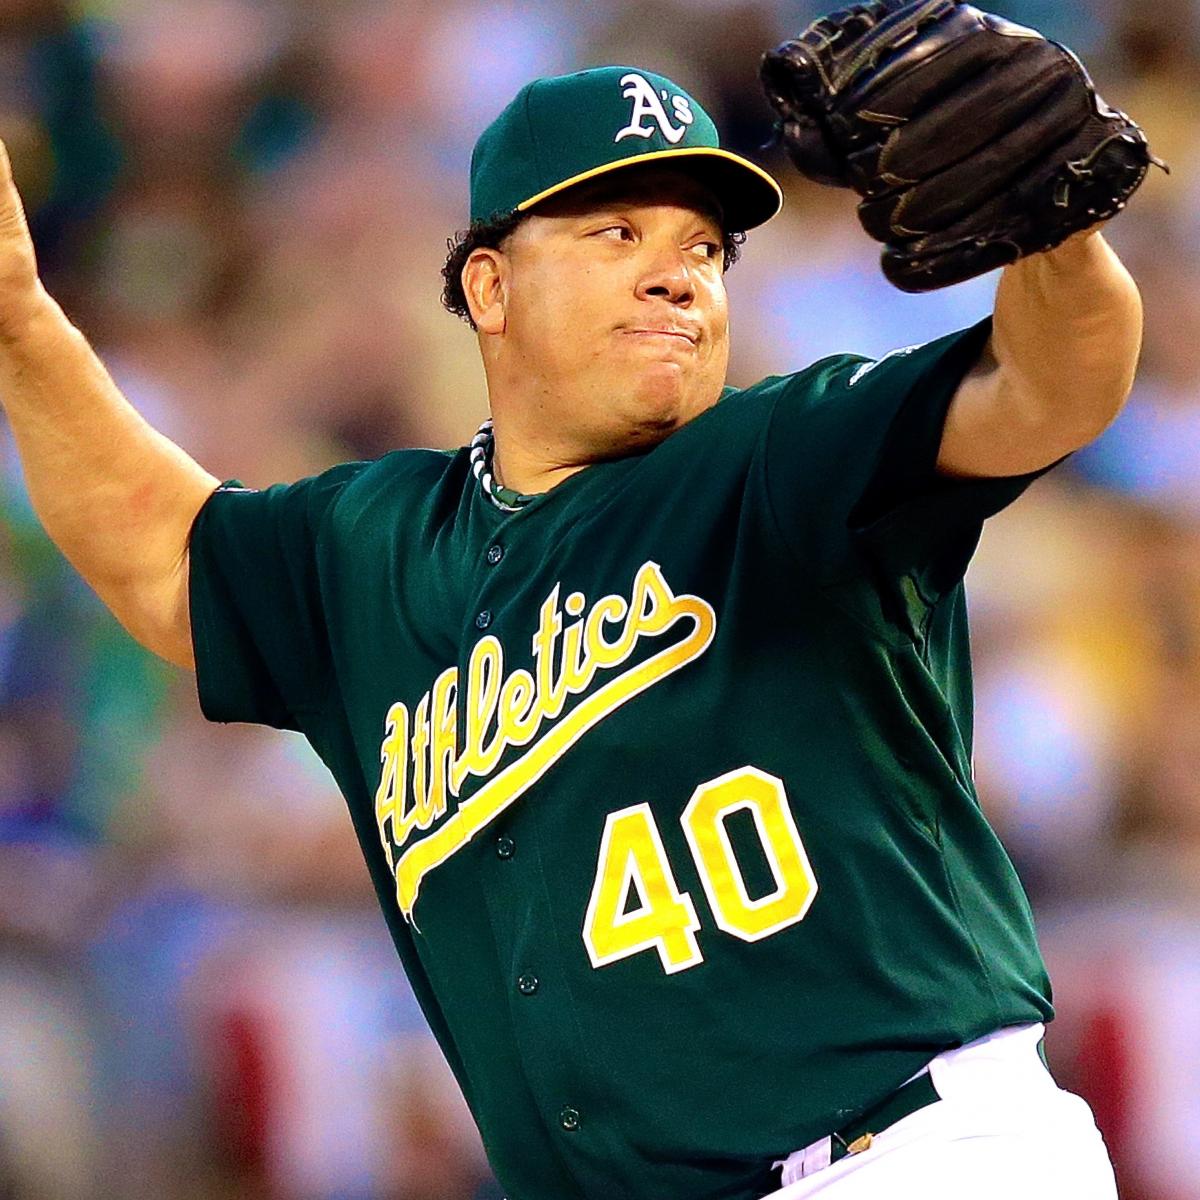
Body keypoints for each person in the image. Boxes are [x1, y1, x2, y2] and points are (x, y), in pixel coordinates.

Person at [0, 49, 1141, 1200]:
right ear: (489, 289)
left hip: (913, 1158)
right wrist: (18, 320)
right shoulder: (373, 546)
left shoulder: (779, 459)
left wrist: (1058, 236)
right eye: (616, 234)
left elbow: (1048, 387)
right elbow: (157, 552)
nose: (678, 277)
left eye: (703, 248)